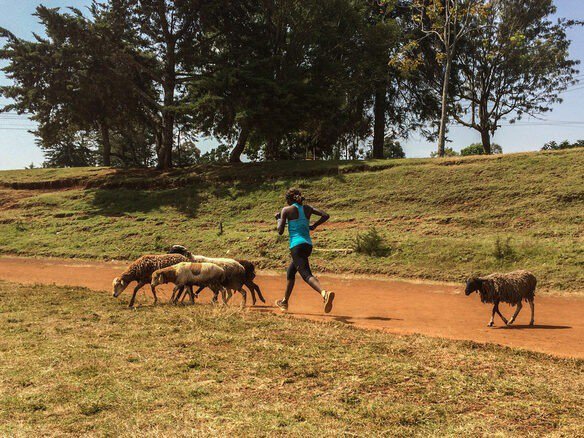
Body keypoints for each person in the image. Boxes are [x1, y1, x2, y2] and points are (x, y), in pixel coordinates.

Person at [275, 188, 335, 313]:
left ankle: (324, 293)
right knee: (291, 272)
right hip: (307, 245)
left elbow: (280, 231)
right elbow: (326, 215)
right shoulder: (308, 208)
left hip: (296, 246)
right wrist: (314, 225)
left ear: (289, 199)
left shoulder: (286, 210)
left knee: (306, 275)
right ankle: (285, 302)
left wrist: (279, 219)